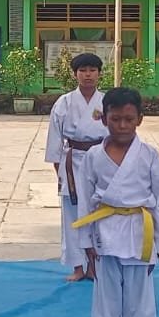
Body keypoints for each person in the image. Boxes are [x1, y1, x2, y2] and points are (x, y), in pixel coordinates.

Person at [73, 87, 159, 317]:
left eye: (129, 119)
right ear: (105, 119)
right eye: (116, 119)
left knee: (140, 313)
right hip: (105, 235)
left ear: (140, 119)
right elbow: (85, 201)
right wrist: (86, 241)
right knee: (106, 312)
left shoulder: (149, 155)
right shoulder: (92, 157)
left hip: (140, 236)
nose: (123, 125)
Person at [44, 52, 108, 283]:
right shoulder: (64, 102)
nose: (88, 75)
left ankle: (96, 264)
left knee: (100, 215)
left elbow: (118, 135)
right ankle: (78, 266)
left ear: (99, 73)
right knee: (72, 216)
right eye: (83, 70)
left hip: (101, 161)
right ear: (75, 74)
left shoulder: (106, 101)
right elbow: (54, 141)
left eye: (92, 70)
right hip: (73, 161)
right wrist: (59, 171)